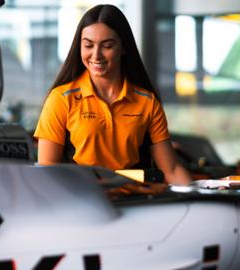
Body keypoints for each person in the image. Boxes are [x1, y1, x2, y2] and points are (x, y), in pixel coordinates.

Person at [34, 4, 191, 185]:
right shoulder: (61, 98)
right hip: (84, 201)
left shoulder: (147, 102)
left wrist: (200, 199)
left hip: (135, 202)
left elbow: (171, 170)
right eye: (88, 45)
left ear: (123, 47)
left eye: (107, 45)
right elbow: (47, 171)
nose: (96, 55)